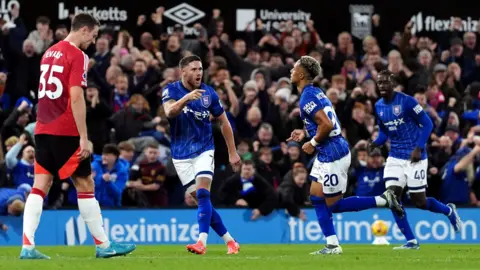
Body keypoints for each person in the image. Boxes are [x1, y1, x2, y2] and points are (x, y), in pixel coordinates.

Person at [20, 13, 135, 260]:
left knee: (40, 186)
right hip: (65, 130)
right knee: (85, 184)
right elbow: (75, 96)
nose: (92, 42)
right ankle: (103, 246)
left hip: (42, 128)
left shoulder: (49, 52)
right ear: (84, 30)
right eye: (93, 36)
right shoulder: (77, 55)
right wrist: (84, 136)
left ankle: (27, 247)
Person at [287, 56, 403, 255]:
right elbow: (324, 123)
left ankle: (385, 199)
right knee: (315, 196)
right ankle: (332, 245)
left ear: (302, 74)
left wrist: (312, 142)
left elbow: (327, 125)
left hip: (333, 153)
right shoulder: (316, 92)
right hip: (328, 150)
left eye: (294, 67)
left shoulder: (307, 96)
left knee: (335, 205)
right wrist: (305, 132)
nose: (291, 69)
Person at [369, 70, 461, 250]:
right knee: (392, 199)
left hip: (415, 157)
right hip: (395, 157)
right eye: (378, 83)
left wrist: (419, 147)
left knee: (420, 202)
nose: (381, 86)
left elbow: (428, 124)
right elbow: (384, 132)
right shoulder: (378, 105)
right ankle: (411, 241)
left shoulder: (407, 101)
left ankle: (449, 211)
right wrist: (376, 143)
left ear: (393, 83)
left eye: (385, 82)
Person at [162, 55, 241, 255]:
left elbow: (224, 122)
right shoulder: (171, 90)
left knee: (204, 193)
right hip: (180, 155)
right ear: (183, 72)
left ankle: (201, 242)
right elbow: (169, 112)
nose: (199, 73)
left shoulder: (209, 93)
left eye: (201, 69)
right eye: (194, 69)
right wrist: (187, 98)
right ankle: (230, 241)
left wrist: (233, 152)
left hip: (204, 149)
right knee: (201, 201)